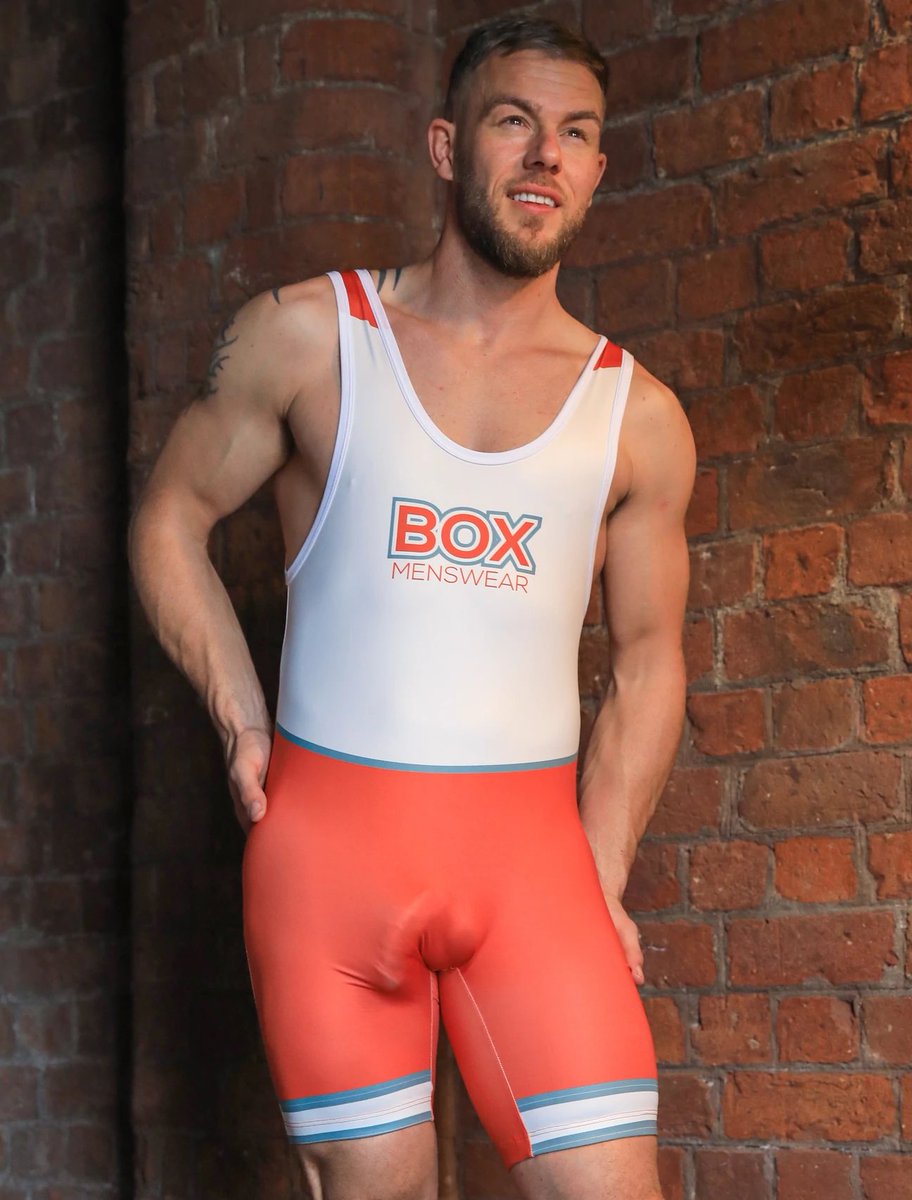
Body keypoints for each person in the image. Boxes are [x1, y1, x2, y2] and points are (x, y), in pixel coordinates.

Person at [130, 15, 695, 1200]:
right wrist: (240, 720)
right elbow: (170, 516)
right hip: (330, 863)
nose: (544, 155)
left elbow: (648, 661)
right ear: (445, 147)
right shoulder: (307, 339)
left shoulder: (638, 417)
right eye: (513, 122)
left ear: (597, 169)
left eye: (574, 134)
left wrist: (600, 871)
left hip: (532, 873)